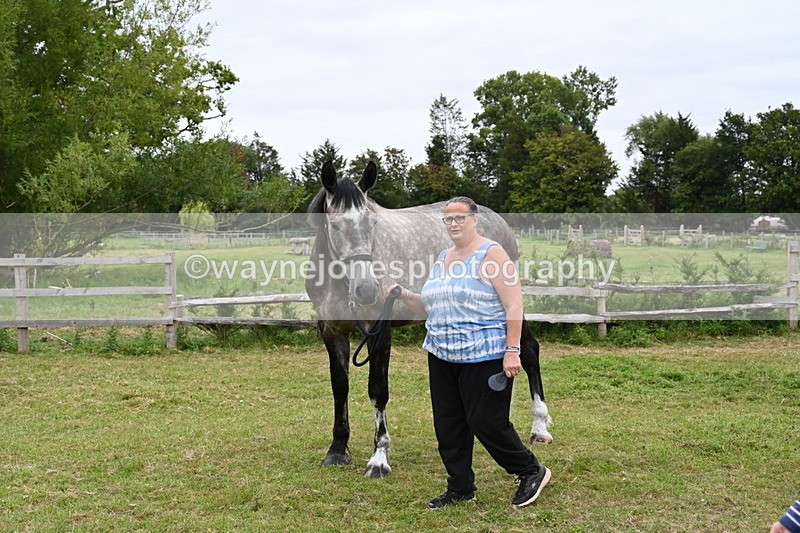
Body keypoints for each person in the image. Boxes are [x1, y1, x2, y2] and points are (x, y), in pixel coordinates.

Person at [390, 196, 551, 509]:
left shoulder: (492, 254)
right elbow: (429, 306)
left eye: (459, 218)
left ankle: (531, 470)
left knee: (486, 422)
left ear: (474, 220)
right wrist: (403, 293)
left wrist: (512, 350)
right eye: (448, 219)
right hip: (442, 355)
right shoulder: (443, 257)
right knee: (448, 425)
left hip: (484, 354)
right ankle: (460, 486)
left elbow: (514, 305)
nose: (453, 224)